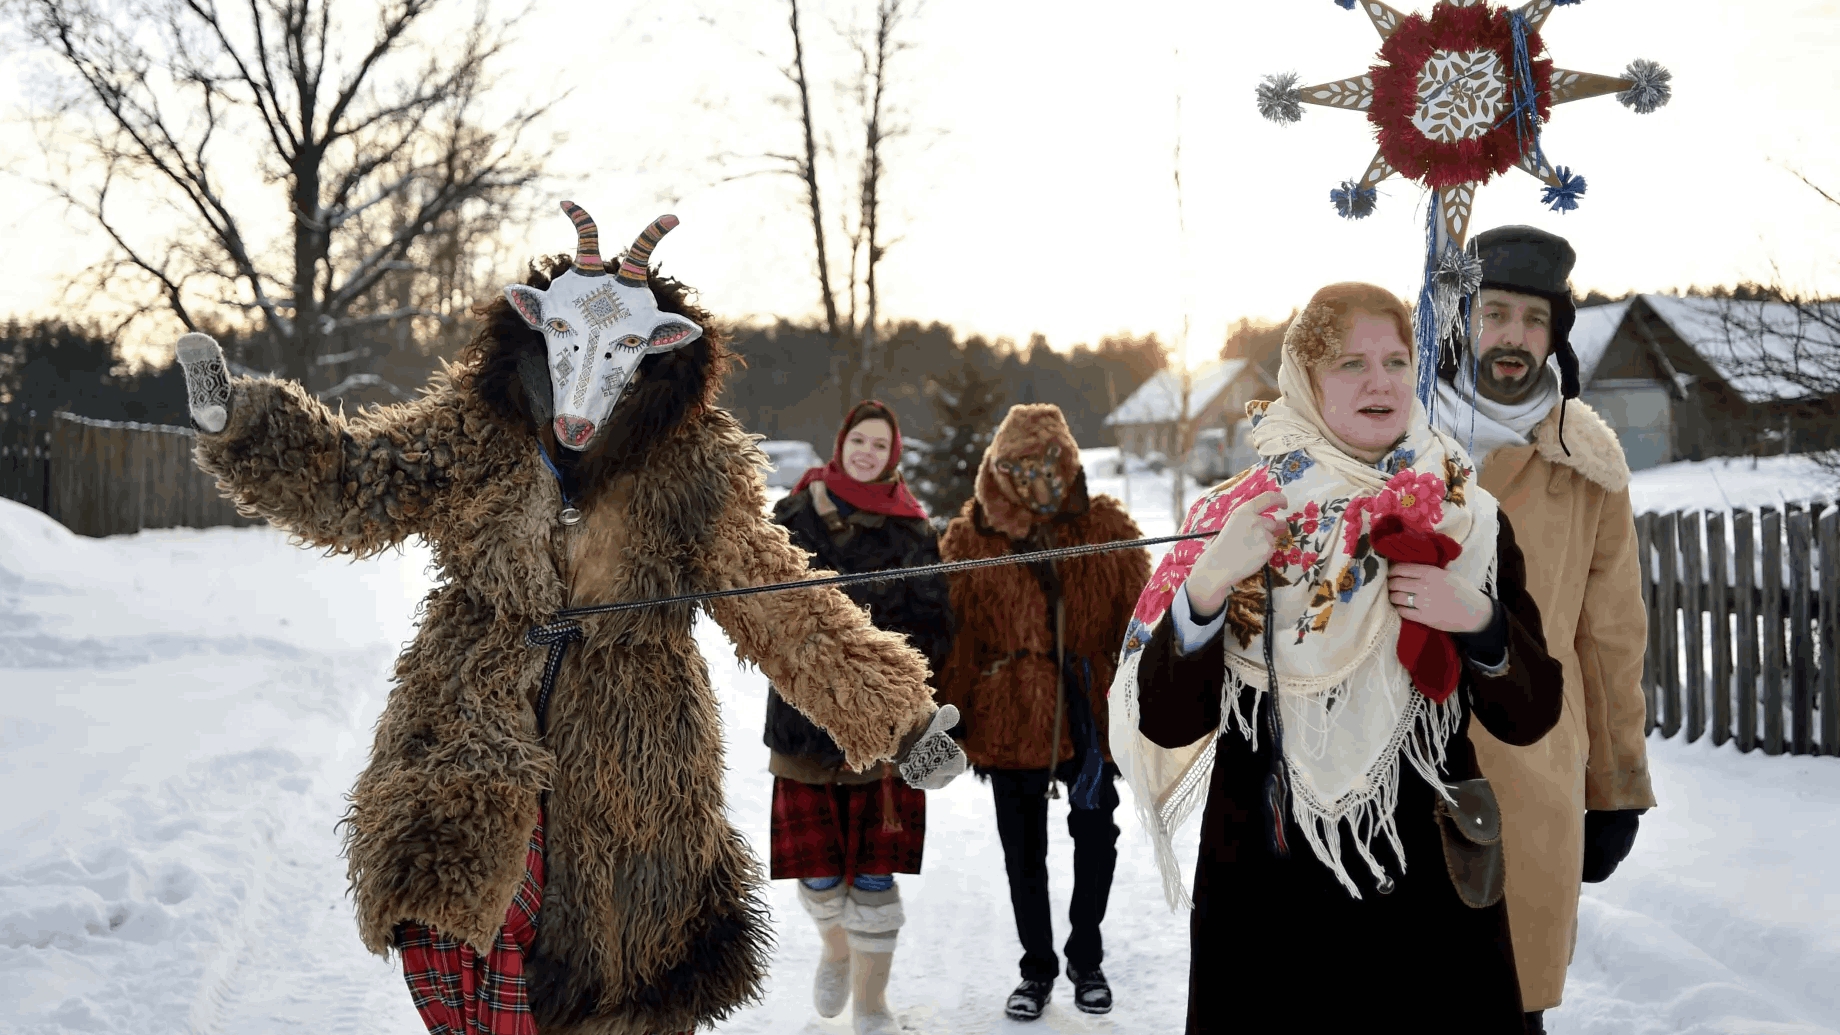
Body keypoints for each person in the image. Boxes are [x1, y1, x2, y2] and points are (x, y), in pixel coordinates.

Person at [171, 203, 966, 1035]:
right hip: (474, 722)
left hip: (631, 753)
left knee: (625, 979)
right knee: (465, 927)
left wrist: (901, 718)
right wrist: (251, 429)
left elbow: (780, 601)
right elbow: (361, 480)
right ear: (536, 331)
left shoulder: (692, 465)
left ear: (658, 352)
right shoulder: (476, 431)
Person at [1110, 282, 1565, 1034]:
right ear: (1306, 378)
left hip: (1427, 892)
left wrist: (1477, 618)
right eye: (1351, 361)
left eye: (1394, 359)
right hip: (1271, 889)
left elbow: (1531, 712)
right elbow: (1165, 717)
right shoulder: (1234, 516)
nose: (1380, 380)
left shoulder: (1466, 511)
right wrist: (1210, 581)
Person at [1433, 226, 1657, 1035]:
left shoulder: (1586, 465)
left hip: (1530, 776)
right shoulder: (1398, 439)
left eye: (1534, 320)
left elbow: (1611, 643)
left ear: (1555, 332)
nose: (1513, 339)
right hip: (1396, 771)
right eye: (1495, 313)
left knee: (1509, 1006)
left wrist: (1615, 788)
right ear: (1463, 320)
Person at [935, 403, 1150, 1022]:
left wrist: (1136, 698)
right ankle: (1036, 967)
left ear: (1068, 461)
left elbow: (1138, 623)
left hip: (1089, 707)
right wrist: (951, 711)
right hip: (1012, 708)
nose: (1035, 479)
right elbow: (957, 637)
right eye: (1019, 467)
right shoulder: (972, 538)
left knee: (1096, 834)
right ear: (996, 469)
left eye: (1047, 465)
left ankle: (1087, 955)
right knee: (1021, 846)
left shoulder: (1107, 527)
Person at [764, 401, 954, 1035]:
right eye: (860, 441)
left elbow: (935, 628)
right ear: (841, 443)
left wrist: (905, 699)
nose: (868, 453)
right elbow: (762, 619)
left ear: (892, 454)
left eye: (881, 445)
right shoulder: (790, 519)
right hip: (802, 722)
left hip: (884, 728)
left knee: (873, 875)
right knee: (819, 873)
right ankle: (836, 949)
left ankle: (871, 1008)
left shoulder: (915, 531)